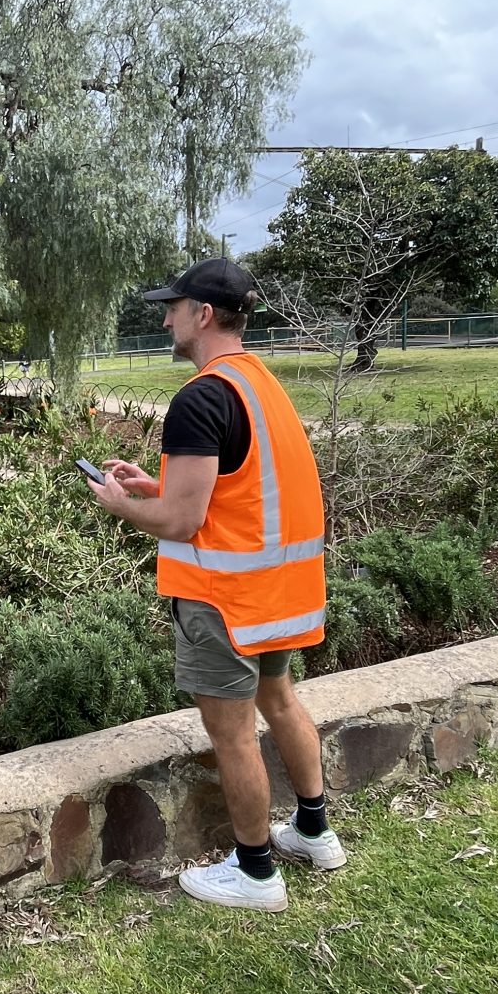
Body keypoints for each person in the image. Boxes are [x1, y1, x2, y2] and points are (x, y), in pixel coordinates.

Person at [85, 257, 343, 912]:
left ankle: (255, 873)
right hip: (277, 597)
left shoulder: (199, 398)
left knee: (233, 735)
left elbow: (181, 520)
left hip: (224, 603)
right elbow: (236, 487)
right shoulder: (259, 384)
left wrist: (120, 504)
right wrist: (154, 483)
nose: (165, 320)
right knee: (280, 701)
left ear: (203, 315)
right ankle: (314, 832)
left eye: (172, 308)